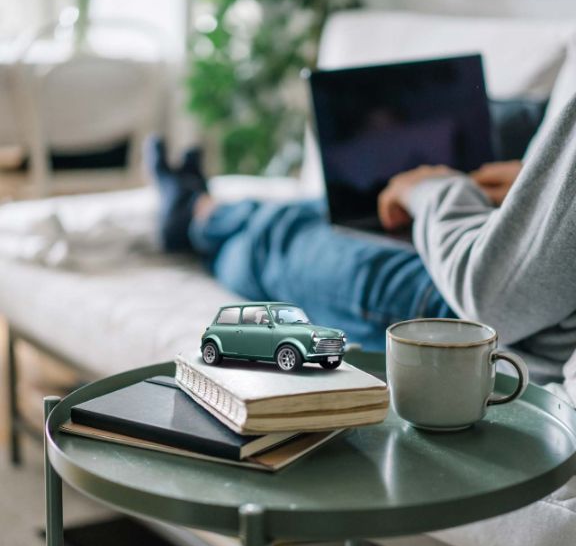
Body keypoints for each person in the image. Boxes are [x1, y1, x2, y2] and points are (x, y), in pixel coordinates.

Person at [150, 95, 576, 383]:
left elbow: (494, 297)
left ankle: (193, 216)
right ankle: (200, 209)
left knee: (276, 242)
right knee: (328, 212)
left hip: (473, 313)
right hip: (512, 276)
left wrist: (431, 186)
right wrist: (536, 187)